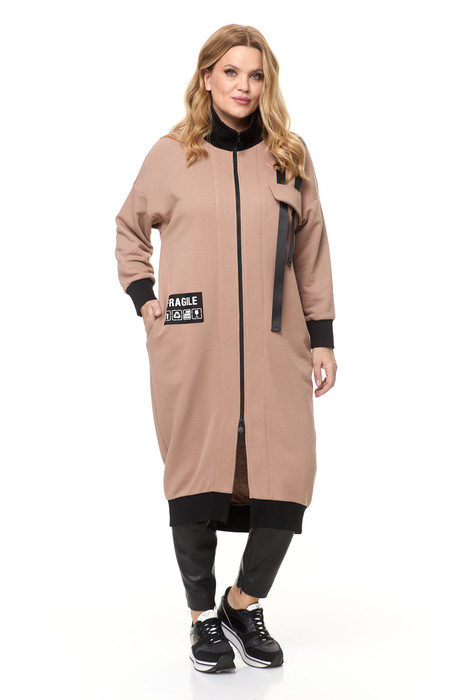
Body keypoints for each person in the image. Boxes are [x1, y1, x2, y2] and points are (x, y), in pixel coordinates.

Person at [115, 23, 337, 673]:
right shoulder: (172, 155)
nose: (244, 86)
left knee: (288, 479)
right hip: (193, 345)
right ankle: (201, 619)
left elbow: (311, 251)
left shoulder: (289, 155)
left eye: (256, 74)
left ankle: (242, 602)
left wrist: (322, 337)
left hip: (277, 347)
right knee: (194, 475)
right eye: (232, 72)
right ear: (207, 77)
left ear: (268, 83)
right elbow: (130, 229)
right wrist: (145, 299)